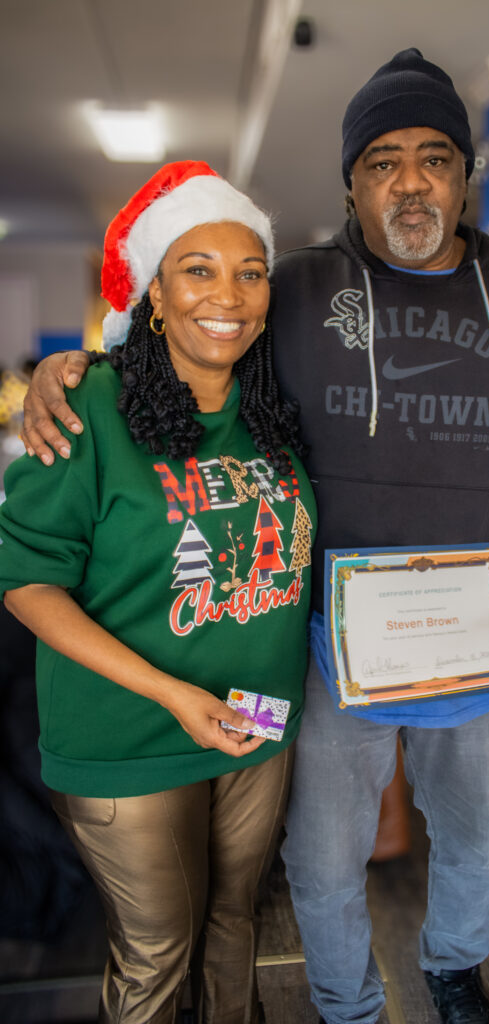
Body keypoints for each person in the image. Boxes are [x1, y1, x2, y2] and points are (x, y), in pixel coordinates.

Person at [21, 49, 489, 1024]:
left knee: (475, 829)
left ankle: (455, 968)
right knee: (320, 851)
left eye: (432, 158)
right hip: (321, 638)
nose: (409, 181)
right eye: (381, 160)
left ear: (464, 178)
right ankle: (344, 1001)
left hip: (472, 627)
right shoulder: (290, 288)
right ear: (350, 181)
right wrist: (74, 365)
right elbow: (181, 347)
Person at [1, 160, 316, 1024]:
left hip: (256, 725)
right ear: (153, 295)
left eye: (250, 272)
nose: (230, 293)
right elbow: (27, 580)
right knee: (155, 957)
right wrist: (174, 694)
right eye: (198, 269)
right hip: (128, 736)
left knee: (231, 925)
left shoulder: (273, 411)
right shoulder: (85, 408)